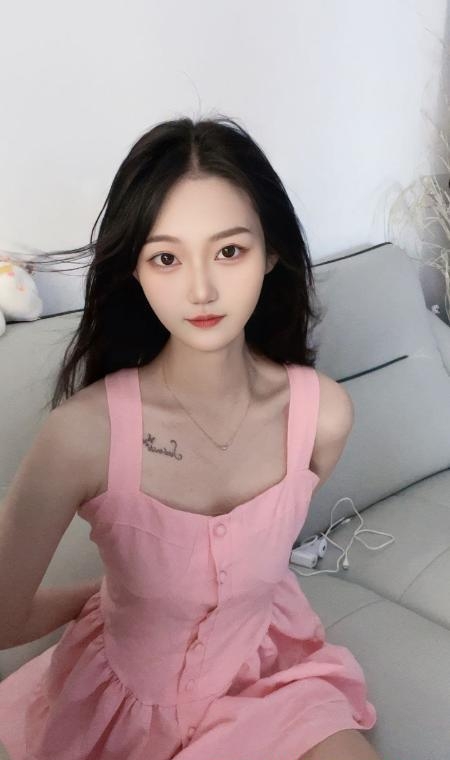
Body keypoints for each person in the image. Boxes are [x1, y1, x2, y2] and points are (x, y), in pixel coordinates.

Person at [0, 115, 382, 759]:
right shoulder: (82, 437)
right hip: (127, 709)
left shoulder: (324, 415)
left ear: (273, 252)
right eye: (166, 258)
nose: (201, 289)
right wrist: (100, 600)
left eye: (229, 251)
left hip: (273, 679)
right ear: (134, 269)